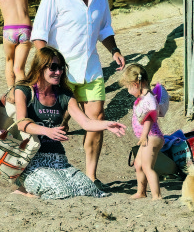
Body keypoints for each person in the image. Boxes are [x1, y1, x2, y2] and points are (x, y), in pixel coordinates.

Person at [31, 0, 125, 191]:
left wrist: (114, 50)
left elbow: (104, 28)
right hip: (60, 70)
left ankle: (91, 177)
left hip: (91, 68)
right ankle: (44, 172)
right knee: (56, 125)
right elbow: (39, 34)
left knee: (98, 118)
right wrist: (47, 67)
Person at [14, 46, 126, 199]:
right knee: (61, 192)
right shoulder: (24, 90)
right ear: (40, 67)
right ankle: (24, 190)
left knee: (89, 189)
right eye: (53, 67)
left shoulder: (64, 94)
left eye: (61, 68)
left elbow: (86, 123)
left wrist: (106, 124)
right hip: (31, 160)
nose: (58, 72)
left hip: (58, 159)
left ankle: (29, 188)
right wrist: (47, 131)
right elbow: (21, 123)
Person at [119, 63, 164, 200]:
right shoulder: (144, 98)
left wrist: (144, 135)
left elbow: (150, 118)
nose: (128, 91)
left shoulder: (148, 99)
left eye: (128, 87)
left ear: (136, 83)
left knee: (147, 166)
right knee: (138, 164)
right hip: (147, 137)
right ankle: (141, 192)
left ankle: (157, 195)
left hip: (151, 136)